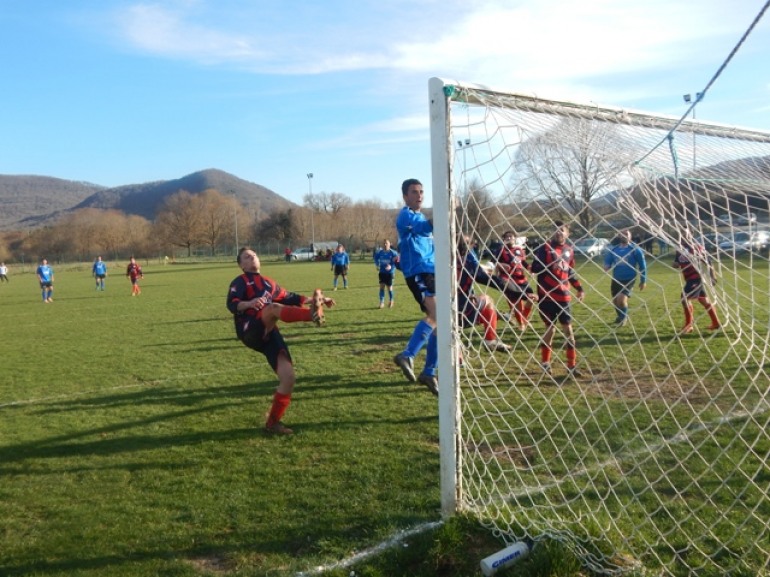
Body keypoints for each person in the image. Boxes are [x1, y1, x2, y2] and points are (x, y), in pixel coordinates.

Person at [226, 246, 335, 435]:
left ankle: (273, 424)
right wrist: (249, 303)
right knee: (272, 308)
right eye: (246, 257)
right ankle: (312, 316)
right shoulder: (240, 282)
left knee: (288, 378)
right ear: (241, 265)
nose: (252, 257)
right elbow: (232, 304)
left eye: (254, 254)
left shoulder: (269, 284)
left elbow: (292, 297)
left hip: (268, 334)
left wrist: (319, 299)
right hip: (250, 330)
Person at [393, 178, 439, 395]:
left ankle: (429, 371)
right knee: (438, 315)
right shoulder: (406, 216)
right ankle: (408, 354)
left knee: (440, 324)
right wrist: (444, 211)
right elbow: (422, 228)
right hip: (418, 272)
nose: (419, 195)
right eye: (414, 192)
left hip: (431, 272)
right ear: (405, 196)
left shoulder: (419, 215)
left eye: (421, 191)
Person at [530, 221, 585, 379]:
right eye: (556, 230)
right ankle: (545, 362)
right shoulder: (544, 248)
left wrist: (580, 289)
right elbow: (534, 268)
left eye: (562, 230)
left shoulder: (569, 250)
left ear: (568, 233)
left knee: (569, 331)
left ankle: (571, 365)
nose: (559, 233)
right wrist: (550, 265)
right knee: (551, 329)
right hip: (546, 295)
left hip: (564, 297)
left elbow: (570, 272)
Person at [458, 235, 512, 352]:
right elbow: (481, 275)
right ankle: (490, 340)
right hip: (461, 307)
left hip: (439, 306)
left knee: (439, 328)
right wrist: (507, 286)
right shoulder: (466, 261)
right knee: (488, 300)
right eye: (468, 244)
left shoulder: (440, 259)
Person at [673, 235, 720, 334]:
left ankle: (689, 325)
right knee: (704, 300)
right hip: (689, 279)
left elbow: (709, 262)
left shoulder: (697, 248)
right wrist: (676, 264)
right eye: (680, 233)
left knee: (684, 298)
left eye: (685, 233)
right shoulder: (679, 249)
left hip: (696, 278)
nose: (682, 235)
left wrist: (713, 276)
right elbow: (676, 263)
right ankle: (716, 323)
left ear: (691, 235)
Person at [603, 229, 647, 327]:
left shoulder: (635, 249)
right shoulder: (614, 250)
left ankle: (624, 319)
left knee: (621, 300)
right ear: (619, 236)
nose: (624, 235)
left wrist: (643, 280)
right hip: (616, 278)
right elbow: (608, 260)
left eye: (626, 234)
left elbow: (642, 265)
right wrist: (606, 265)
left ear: (630, 236)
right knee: (615, 301)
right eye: (622, 234)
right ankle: (620, 316)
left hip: (629, 278)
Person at [495, 230, 536, 330]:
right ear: (503, 240)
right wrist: (500, 266)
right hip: (509, 280)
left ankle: (524, 319)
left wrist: (530, 269)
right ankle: (521, 324)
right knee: (517, 303)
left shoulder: (519, 250)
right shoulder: (501, 250)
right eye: (506, 237)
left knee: (533, 297)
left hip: (521, 279)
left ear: (515, 238)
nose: (509, 238)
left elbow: (523, 262)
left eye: (511, 236)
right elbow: (494, 263)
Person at [373, 239, 399, 308]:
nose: (385, 245)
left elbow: (396, 262)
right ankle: (381, 303)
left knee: (389, 288)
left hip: (390, 273)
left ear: (390, 244)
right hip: (382, 272)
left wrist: (391, 266)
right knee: (381, 287)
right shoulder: (380, 252)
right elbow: (375, 258)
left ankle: (391, 300)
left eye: (386, 243)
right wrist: (377, 264)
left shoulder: (393, 253)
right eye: (384, 243)